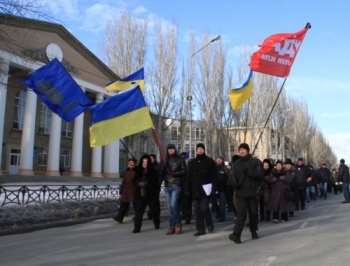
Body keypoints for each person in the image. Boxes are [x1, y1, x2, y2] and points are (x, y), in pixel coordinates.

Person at [228, 143, 264, 244]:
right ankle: (236, 234)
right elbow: (232, 175)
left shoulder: (255, 162)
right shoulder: (236, 164)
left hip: (253, 193)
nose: (242, 151)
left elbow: (261, 174)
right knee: (241, 214)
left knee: (253, 213)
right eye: (240, 150)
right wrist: (235, 184)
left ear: (248, 150)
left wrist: (250, 172)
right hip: (241, 193)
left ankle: (254, 231)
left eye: (244, 149)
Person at [185, 143, 217, 236]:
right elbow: (189, 176)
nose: (200, 150)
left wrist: (214, 188)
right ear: (196, 150)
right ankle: (200, 229)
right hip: (195, 189)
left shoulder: (209, 161)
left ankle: (209, 224)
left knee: (204, 208)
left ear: (204, 150)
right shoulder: (192, 162)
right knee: (197, 210)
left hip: (206, 190)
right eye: (198, 149)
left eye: (201, 149)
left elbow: (214, 176)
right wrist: (186, 188)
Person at [160, 144, 187, 235]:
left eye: (172, 149)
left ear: (175, 150)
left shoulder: (180, 159)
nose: (170, 151)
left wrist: (173, 173)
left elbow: (184, 171)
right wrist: (164, 168)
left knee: (173, 204)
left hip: (177, 185)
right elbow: (161, 174)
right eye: (169, 149)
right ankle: (172, 226)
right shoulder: (165, 160)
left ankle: (178, 224)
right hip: (167, 185)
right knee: (170, 207)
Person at [132, 155, 160, 233]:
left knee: (154, 210)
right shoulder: (138, 171)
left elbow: (154, 182)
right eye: (143, 162)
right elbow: (134, 181)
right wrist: (139, 183)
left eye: (146, 162)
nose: (144, 163)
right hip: (141, 194)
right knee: (139, 212)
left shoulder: (153, 171)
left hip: (151, 194)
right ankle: (137, 227)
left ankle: (157, 223)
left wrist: (146, 183)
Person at [113, 158, 138, 223]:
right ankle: (119, 218)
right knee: (123, 205)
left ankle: (138, 217)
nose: (130, 163)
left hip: (133, 191)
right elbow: (123, 182)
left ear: (135, 164)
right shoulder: (126, 172)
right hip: (126, 191)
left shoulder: (137, 172)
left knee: (136, 206)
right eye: (130, 162)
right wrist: (121, 190)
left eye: (132, 162)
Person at [212, 155, 229, 222]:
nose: (218, 160)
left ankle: (222, 216)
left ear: (222, 160)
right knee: (214, 202)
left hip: (223, 189)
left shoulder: (225, 169)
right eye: (217, 159)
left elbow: (228, 179)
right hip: (214, 188)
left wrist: (228, 187)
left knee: (222, 204)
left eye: (220, 159)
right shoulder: (213, 169)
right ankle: (218, 213)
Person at [147, 154, 162, 220]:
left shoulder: (158, 166)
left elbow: (160, 176)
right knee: (149, 200)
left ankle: (155, 214)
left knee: (155, 201)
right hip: (148, 186)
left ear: (154, 159)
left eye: (151, 158)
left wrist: (157, 184)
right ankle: (151, 213)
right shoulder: (148, 166)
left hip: (155, 187)